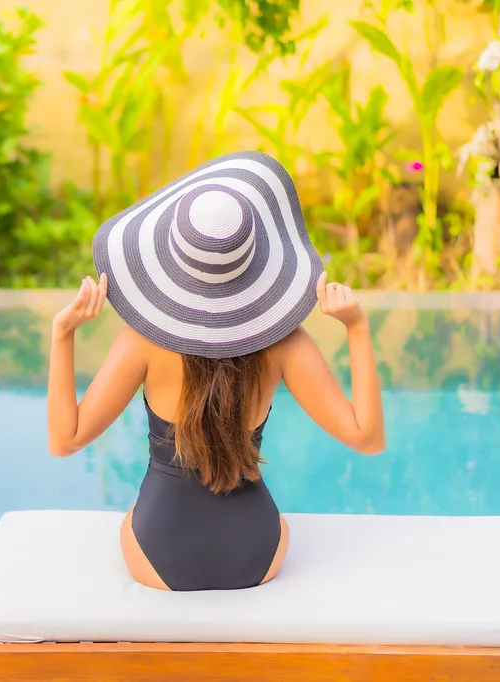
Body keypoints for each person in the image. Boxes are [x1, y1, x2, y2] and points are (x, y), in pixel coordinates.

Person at [46, 151, 385, 592]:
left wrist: (62, 335)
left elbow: (64, 441)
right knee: (276, 521)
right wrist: (357, 328)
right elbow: (368, 438)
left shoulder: (142, 342)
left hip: (158, 552)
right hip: (257, 553)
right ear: (257, 257)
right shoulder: (287, 344)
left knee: (129, 520)